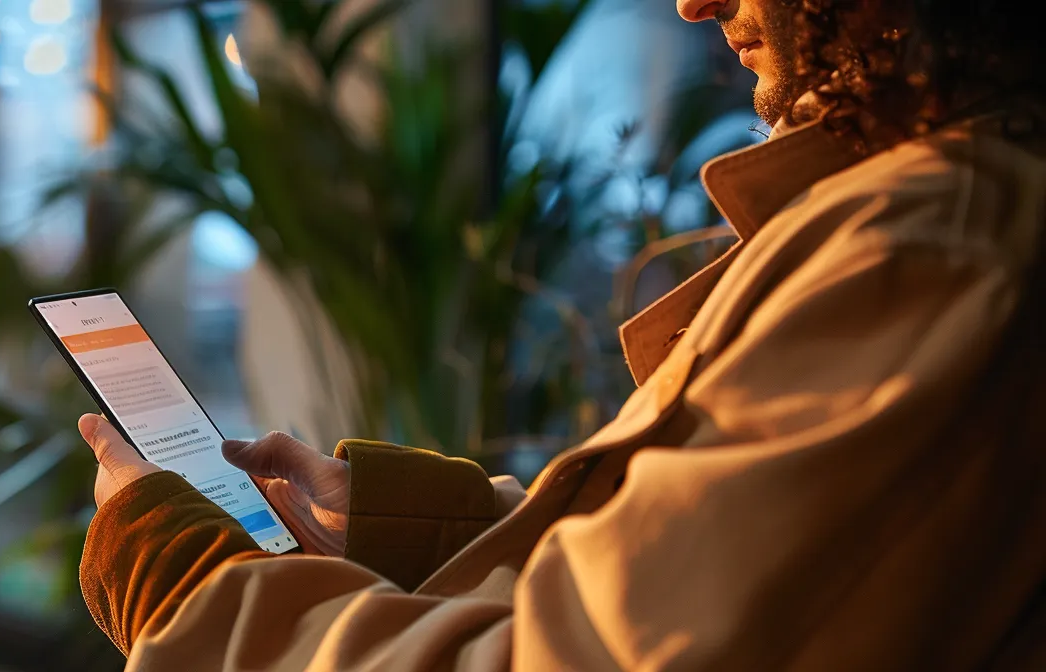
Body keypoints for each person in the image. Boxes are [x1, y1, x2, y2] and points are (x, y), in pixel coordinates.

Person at [74, 0, 1046, 669]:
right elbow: (687, 588)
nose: (695, 6)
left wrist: (183, 581)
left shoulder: (930, 247)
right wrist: (400, 525)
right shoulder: (944, 221)